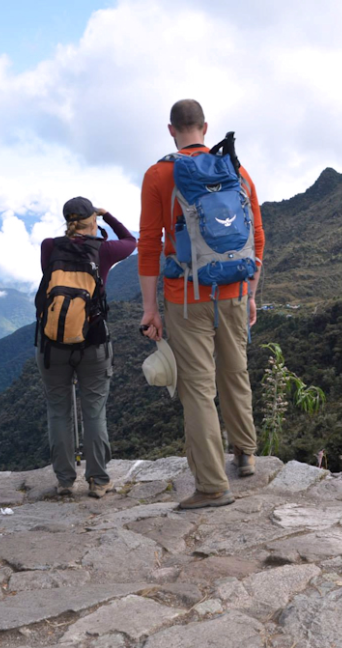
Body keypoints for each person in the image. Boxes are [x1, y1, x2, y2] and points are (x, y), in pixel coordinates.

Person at [138, 99, 265, 509]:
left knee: (197, 389)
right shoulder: (236, 170)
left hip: (186, 296)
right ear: (205, 128)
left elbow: (149, 246)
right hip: (233, 292)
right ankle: (244, 454)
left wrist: (150, 309)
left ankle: (212, 485)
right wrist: (251, 293)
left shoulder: (159, 175)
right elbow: (257, 238)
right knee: (236, 371)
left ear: (171, 130)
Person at [36, 197, 136, 498]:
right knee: (94, 412)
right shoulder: (103, 250)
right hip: (93, 342)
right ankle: (99, 480)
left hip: (52, 344)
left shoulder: (49, 247)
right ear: (92, 219)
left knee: (58, 413)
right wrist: (108, 217)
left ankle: (65, 480)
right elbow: (131, 241)